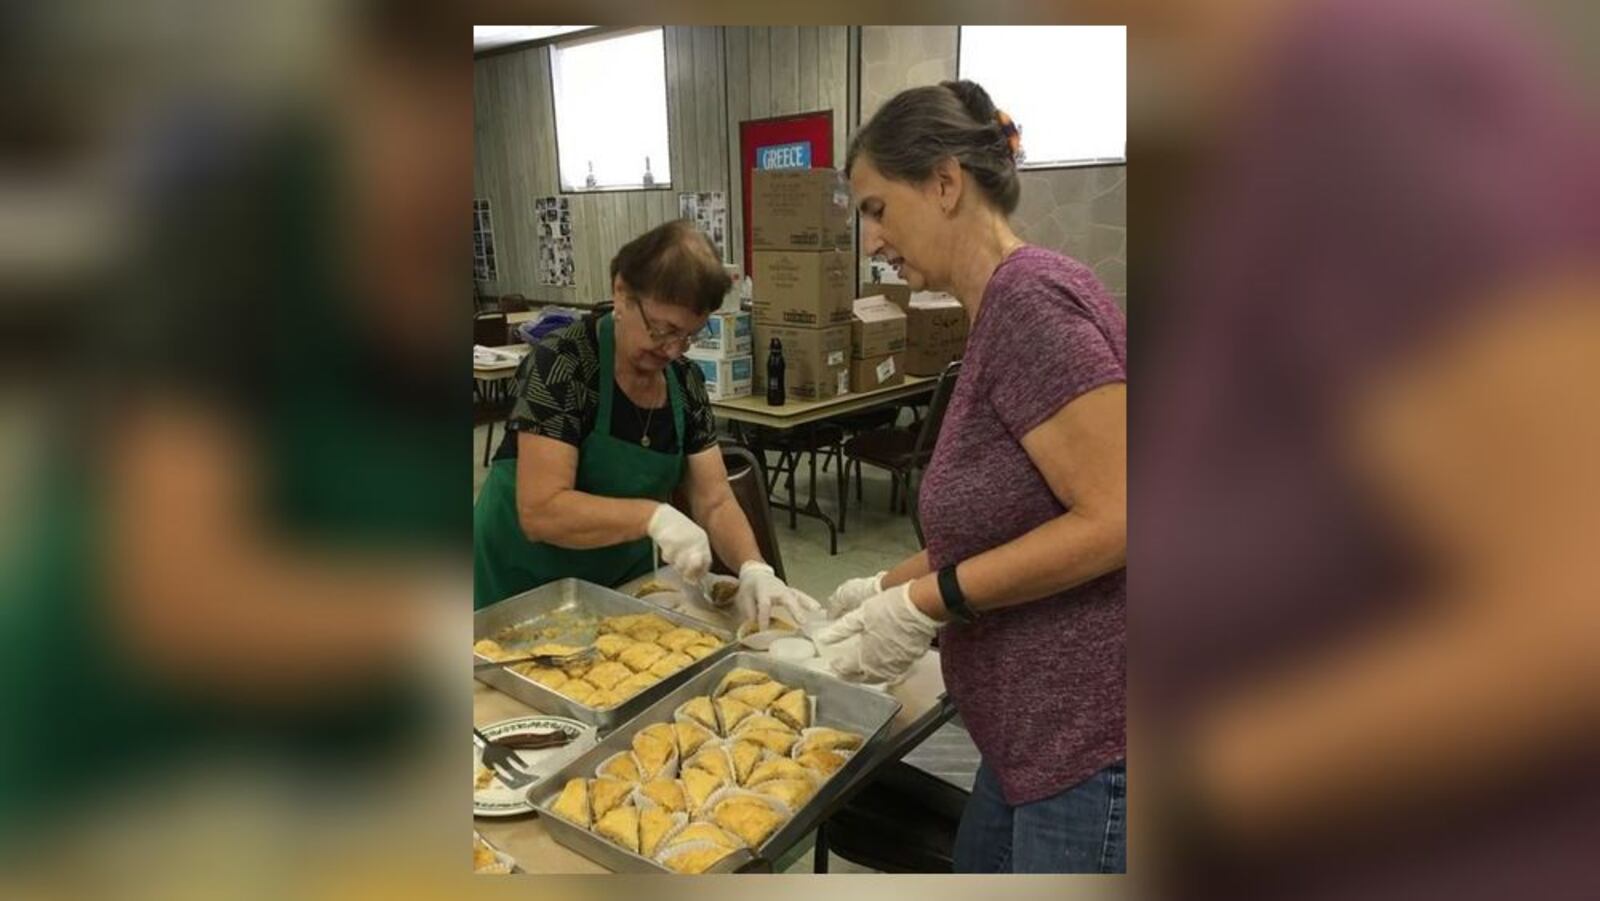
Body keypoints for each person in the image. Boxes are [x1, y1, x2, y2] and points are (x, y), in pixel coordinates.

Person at [819, 80, 1127, 873]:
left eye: (877, 209)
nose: (873, 240)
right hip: (1023, 740)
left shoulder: (1030, 304)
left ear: (946, 183)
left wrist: (930, 600)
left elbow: (1121, 514)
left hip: (1088, 746)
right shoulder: (999, 311)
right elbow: (1012, 521)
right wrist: (883, 587)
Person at [473, 219, 815, 630]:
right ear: (622, 292)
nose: (672, 349)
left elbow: (715, 500)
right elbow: (541, 510)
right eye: (663, 329)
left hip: (619, 588)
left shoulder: (685, 384)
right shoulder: (564, 363)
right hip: (522, 587)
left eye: (688, 336)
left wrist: (754, 567)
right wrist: (653, 517)